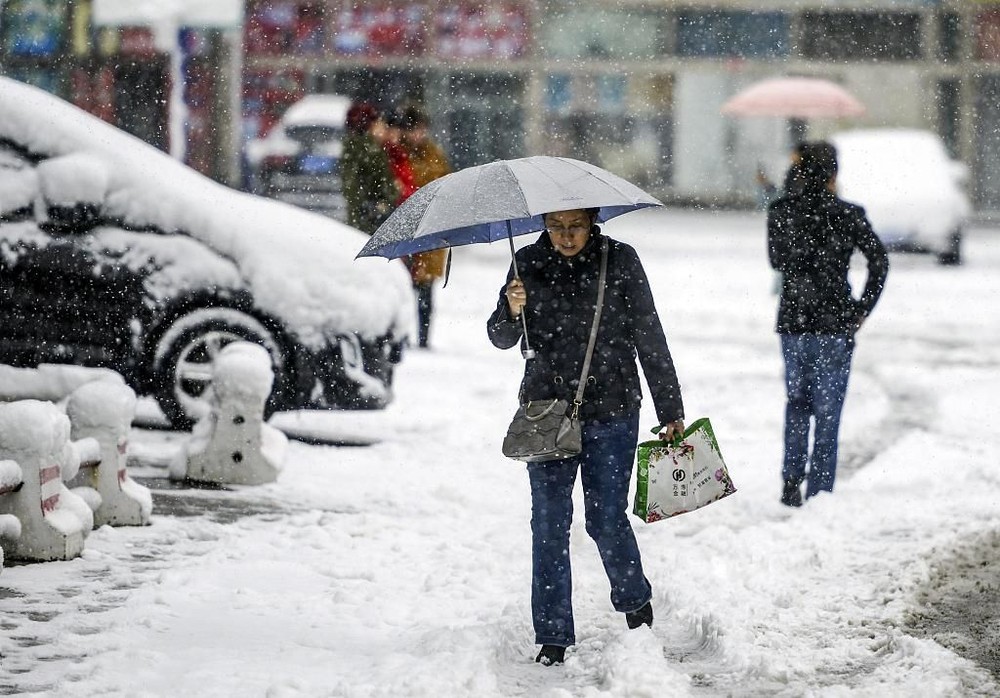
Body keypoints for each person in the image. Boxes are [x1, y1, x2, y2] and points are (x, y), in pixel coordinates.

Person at [486, 207, 685, 666]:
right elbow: (499, 337)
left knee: (605, 518)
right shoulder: (527, 264)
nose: (566, 236)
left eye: (574, 226)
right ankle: (552, 635)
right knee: (549, 524)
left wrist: (670, 408)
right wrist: (509, 308)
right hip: (547, 412)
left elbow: (648, 333)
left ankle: (635, 602)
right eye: (555, 227)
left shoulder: (620, 260)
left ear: (593, 222)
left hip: (613, 407)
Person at [767, 142, 889, 507]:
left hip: (794, 321)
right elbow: (879, 262)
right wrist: (862, 308)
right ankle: (820, 489)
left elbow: (777, 260)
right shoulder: (849, 214)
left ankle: (791, 481)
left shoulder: (781, 211)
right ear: (834, 174)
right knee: (829, 410)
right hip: (835, 322)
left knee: (797, 402)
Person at [400, 105, 451, 348]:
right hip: (406, 226)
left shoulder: (433, 153)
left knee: (425, 289)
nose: (418, 134)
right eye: (414, 129)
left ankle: (423, 337)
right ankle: (400, 335)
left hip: (431, 227)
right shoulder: (399, 154)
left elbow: (444, 181)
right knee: (401, 285)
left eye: (421, 129)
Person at [340, 102, 398, 235]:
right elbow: (353, 186)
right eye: (379, 122)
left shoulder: (368, 148)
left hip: (369, 218)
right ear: (370, 125)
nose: (383, 126)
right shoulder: (368, 150)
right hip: (370, 220)